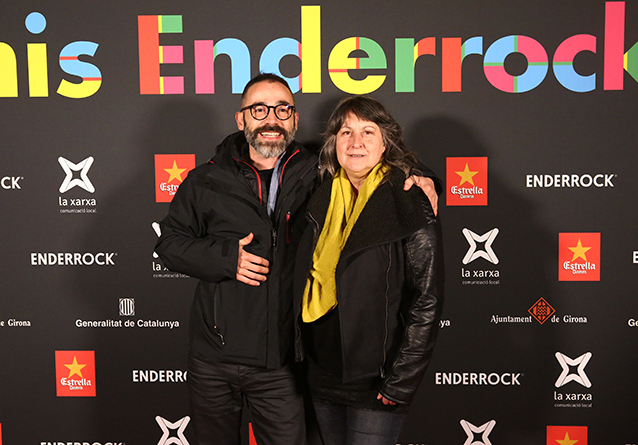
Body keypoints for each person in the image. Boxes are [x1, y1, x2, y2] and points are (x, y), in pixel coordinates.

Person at [155, 74, 439, 445]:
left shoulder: (317, 171)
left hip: (282, 364)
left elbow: (368, 164)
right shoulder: (205, 179)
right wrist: (225, 258)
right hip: (213, 358)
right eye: (259, 110)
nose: (271, 119)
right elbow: (169, 244)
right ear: (241, 119)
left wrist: (422, 177)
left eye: (282, 109)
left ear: (295, 119)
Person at [294, 95, 445, 445]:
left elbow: (426, 300)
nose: (356, 142)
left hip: (377, 380)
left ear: (385, 142)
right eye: (346, 132)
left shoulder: (409, 199)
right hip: (321, 374)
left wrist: (400, 382)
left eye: (368, 132)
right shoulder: (318, 196)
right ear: (334, 143)